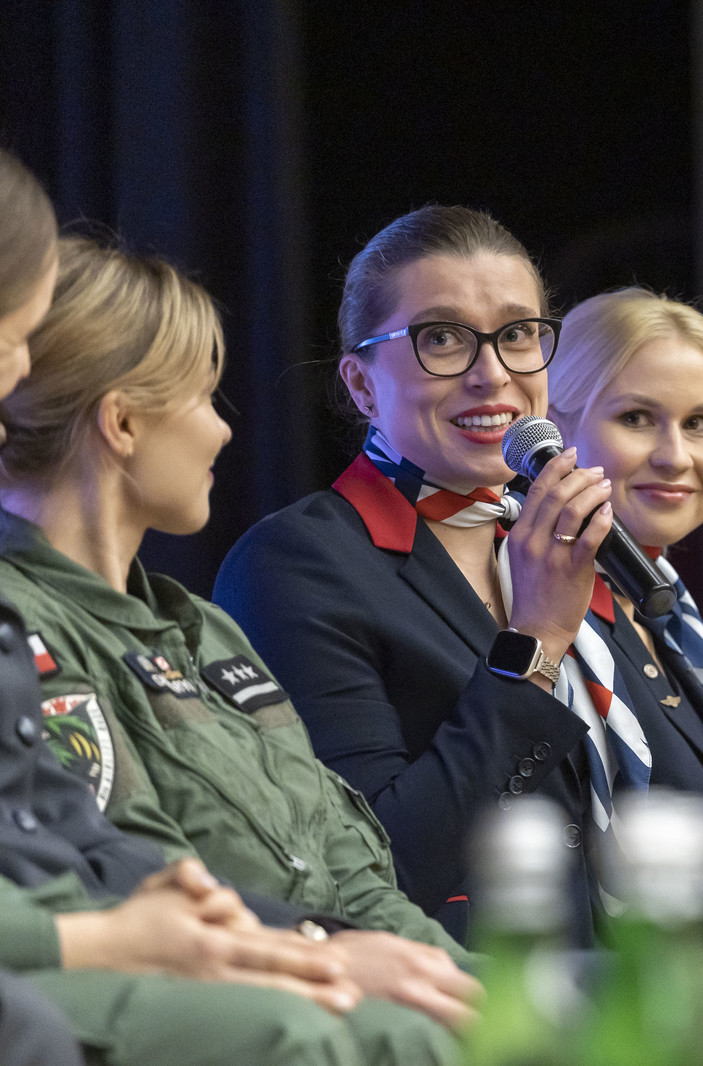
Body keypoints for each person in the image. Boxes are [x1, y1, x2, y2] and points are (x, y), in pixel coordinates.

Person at [214, 206, 703, 1066]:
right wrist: (537, 638)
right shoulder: (299, 563)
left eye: (518, 336)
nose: (493, 375)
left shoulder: (552, 542)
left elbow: (702, 844)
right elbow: (383, 864)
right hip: (468, 992)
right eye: (442, 339)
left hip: (649, 983)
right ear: (361, 385)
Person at [0, 150, 445, 1066]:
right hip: (202, 974)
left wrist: (438, 968)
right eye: (206, 397)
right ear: (123, 422)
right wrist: (321, 947)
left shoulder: (206, 630)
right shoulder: (29, 622)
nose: (226, 428)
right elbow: (131, 860)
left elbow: (346, 853)